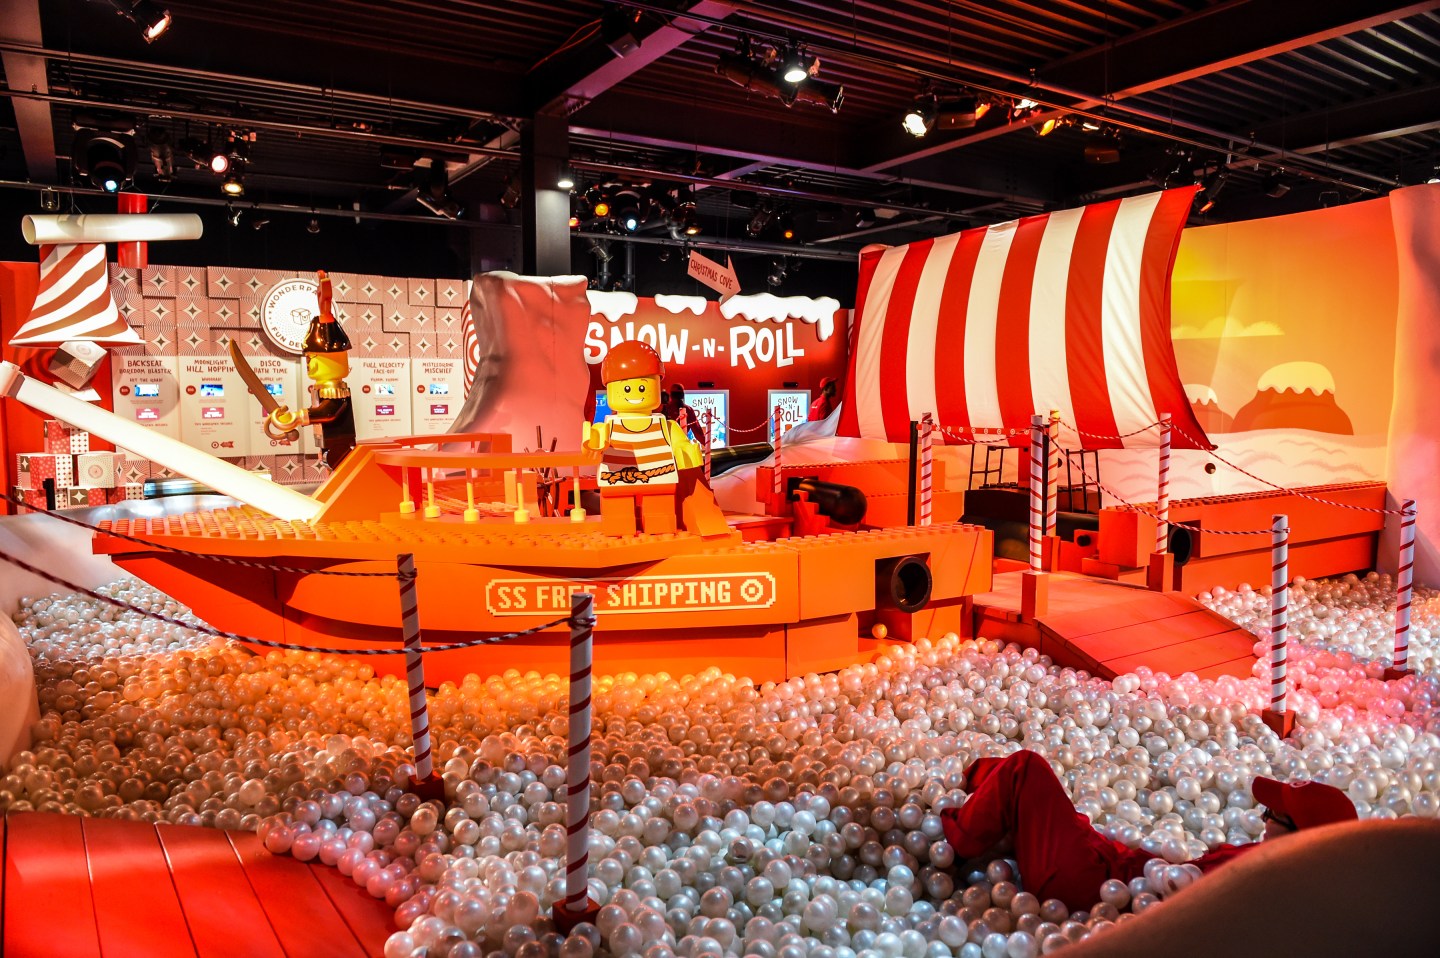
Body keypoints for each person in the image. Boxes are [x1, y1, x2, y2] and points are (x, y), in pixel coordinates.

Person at [939, 749, 1357, 911]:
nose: (1263, 819)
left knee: (1027, 767)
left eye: (1273, 814)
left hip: (1092, 889)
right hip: (1116, 872)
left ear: (1302, 836)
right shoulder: (1272, 863)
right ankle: (978, 786)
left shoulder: (1261, 877)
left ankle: (957, 842)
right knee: (1057, 806)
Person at [582, 341, 726, 537]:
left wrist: (685, 450)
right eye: (627, 389)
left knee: (659, 508)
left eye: (643, 388)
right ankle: (619, 525)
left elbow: (680, 442)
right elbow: (594, 440)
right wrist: (592, 443)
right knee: (618, 509)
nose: (635, 394)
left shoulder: (665, 425)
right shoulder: (608, 426)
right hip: (618, 476)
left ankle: (659, 526)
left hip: (659, 476)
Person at [266, 270, 355, 470]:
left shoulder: (336, 391)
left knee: (339, 468)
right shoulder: (324, 388)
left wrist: (297, 418)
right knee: (332, 467)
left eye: (312, 357)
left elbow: (329, 412)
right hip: (327, 440)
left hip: (338, 441)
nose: (309, 363)